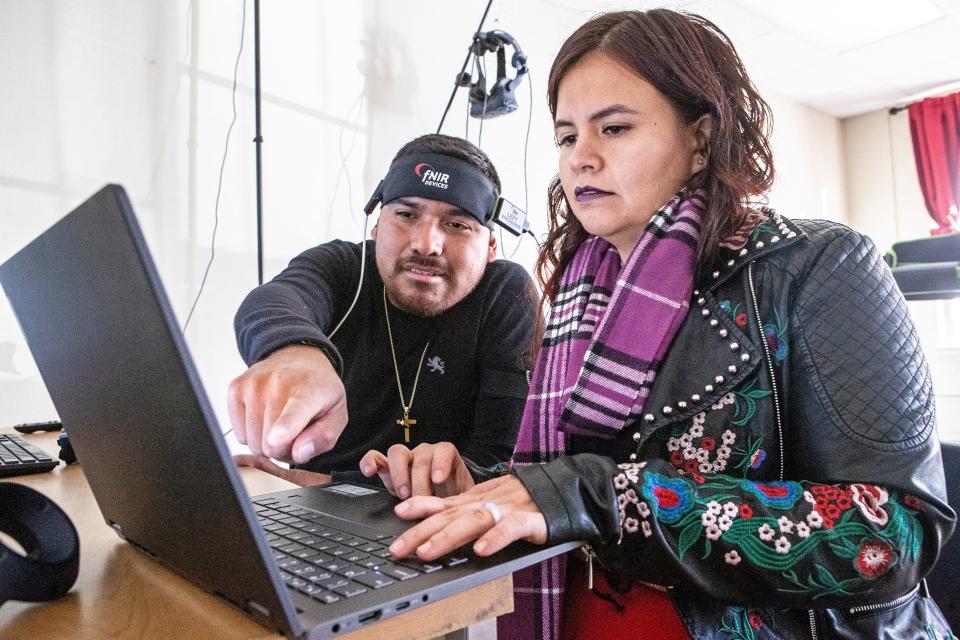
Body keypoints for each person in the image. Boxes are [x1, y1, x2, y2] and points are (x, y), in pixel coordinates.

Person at [365, 10, 957, 640]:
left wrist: (593, 495)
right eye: (566, 137)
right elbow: (581, 483)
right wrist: (486, 491)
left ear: (701, 139)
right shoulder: (575, 291)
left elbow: (892, 532)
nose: (580, 160)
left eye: (613, 128)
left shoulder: (818, 264)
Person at [229, 134, 536, 490]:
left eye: (457, 225)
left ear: (490, 247)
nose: (426, 244)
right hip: (314, 510)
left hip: (445, 516)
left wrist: (329, 482)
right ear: (376, 228)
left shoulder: (506, 295)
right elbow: (275, 299)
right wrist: (295, 352)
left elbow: (498, 462)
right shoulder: (346, 268)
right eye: (406, 214)